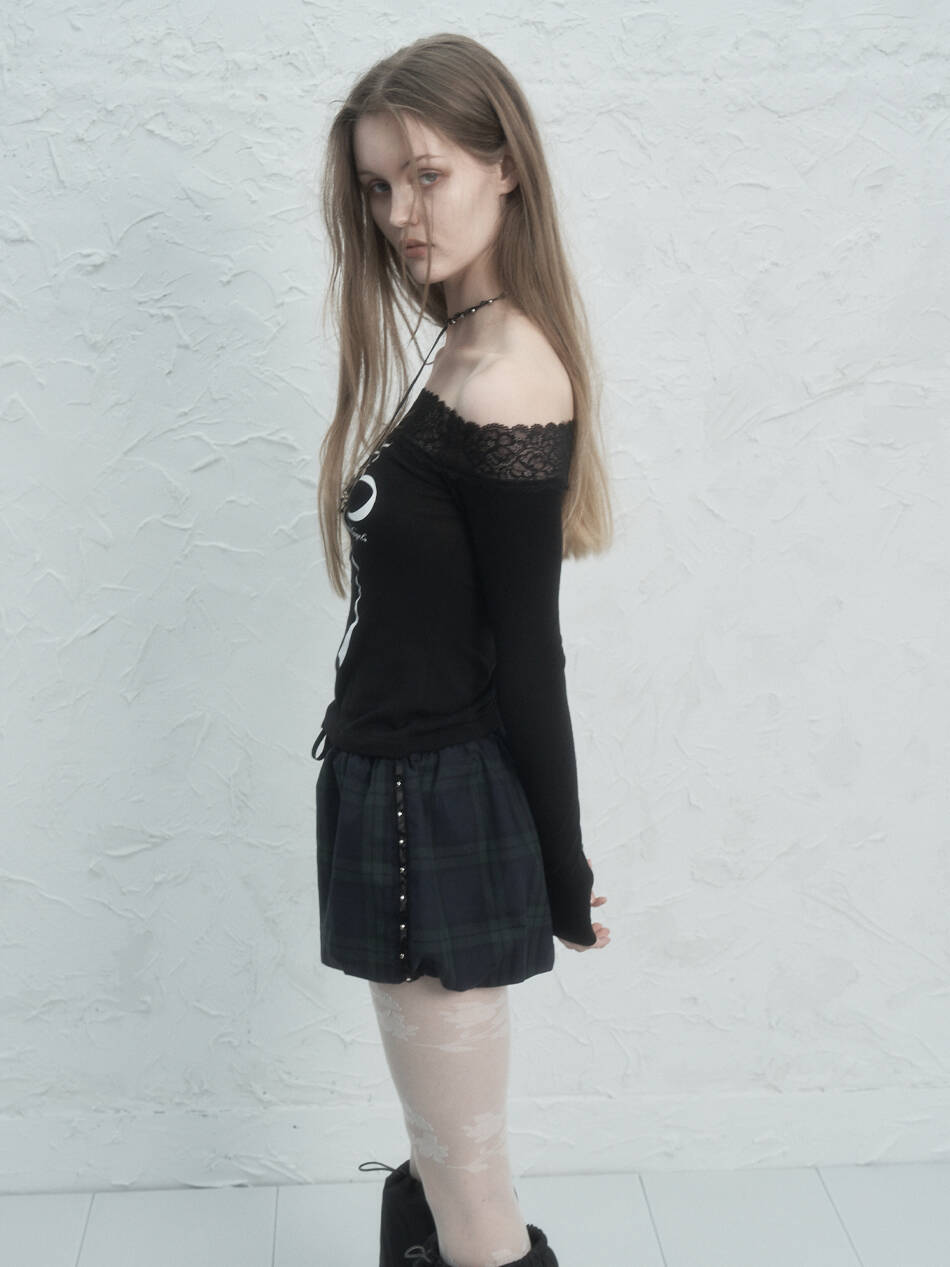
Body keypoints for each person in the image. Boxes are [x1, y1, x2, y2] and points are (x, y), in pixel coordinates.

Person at [312, 32, 614, 1267]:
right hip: (394, 788)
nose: (399, 213)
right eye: (379, 186)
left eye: (426, 175)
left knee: (470, 1190)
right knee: (437, 1167)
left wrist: (561, 865)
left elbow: (530, 655)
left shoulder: (505, 377)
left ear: (505, 167)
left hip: (435, 805)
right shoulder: (458, 347)